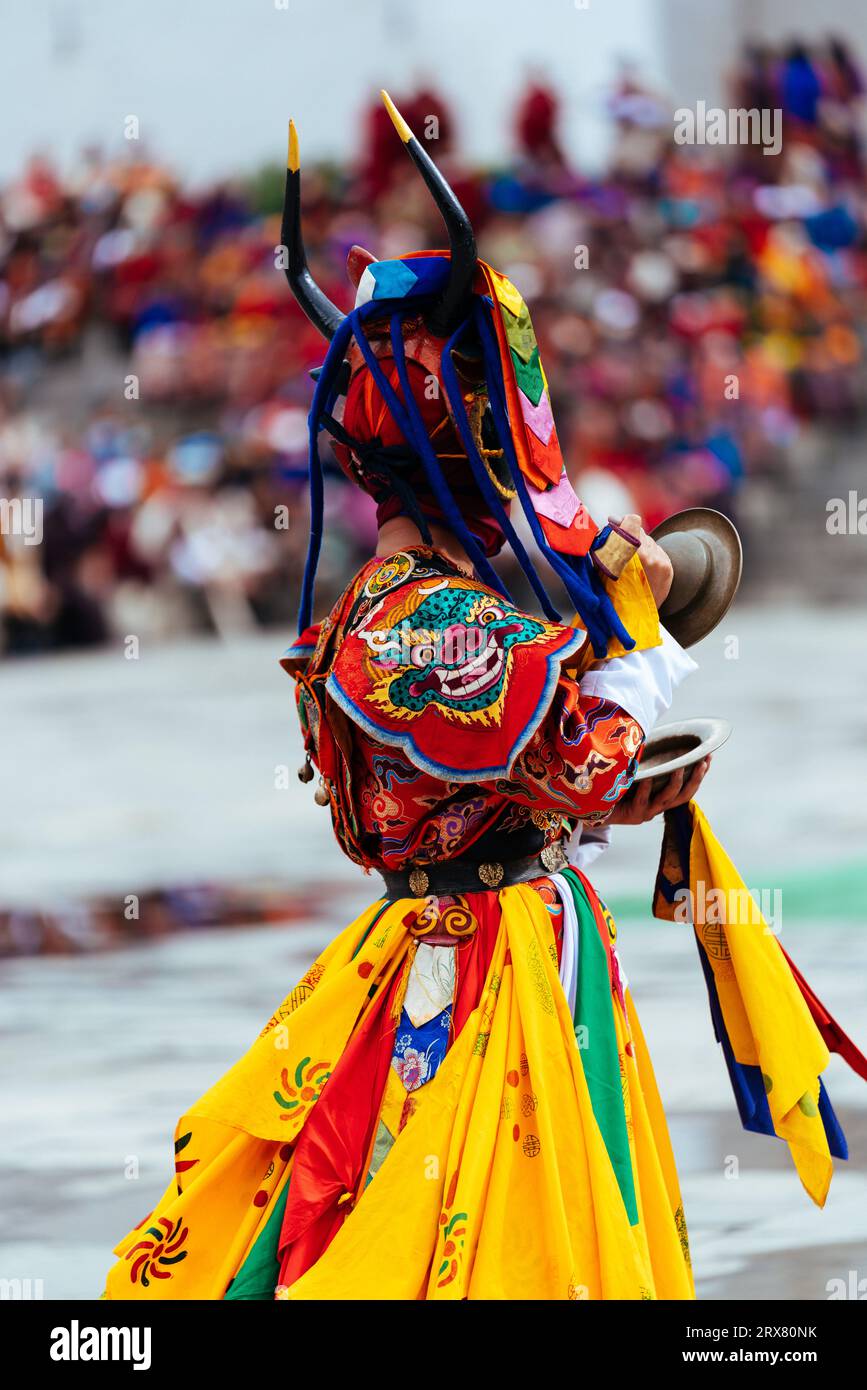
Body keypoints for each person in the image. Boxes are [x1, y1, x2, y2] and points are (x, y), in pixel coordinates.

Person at [104, 93, 863, 1302]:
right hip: (482, 970)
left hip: (461, 944)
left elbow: (516, 785)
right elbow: (583, 762)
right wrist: (644, 638)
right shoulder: (425, 619)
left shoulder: (393, 607)